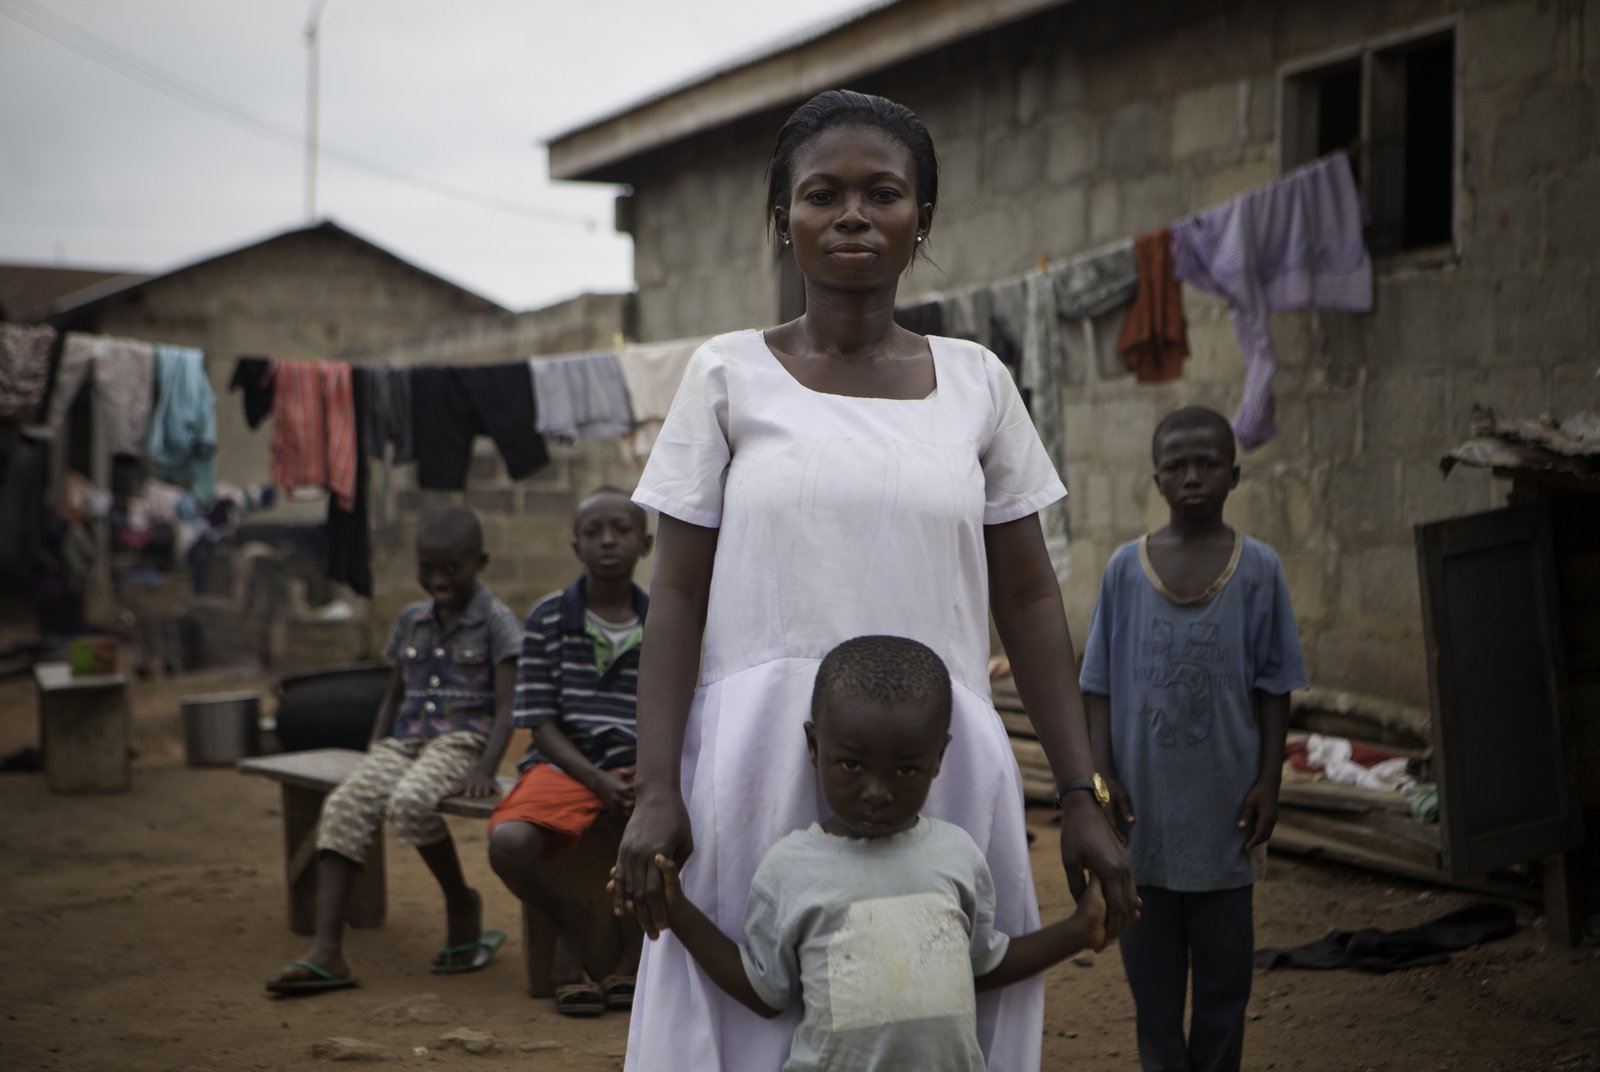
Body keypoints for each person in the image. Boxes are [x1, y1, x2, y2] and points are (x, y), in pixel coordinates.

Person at [612, 88, 1136, 1071]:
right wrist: (655, 786)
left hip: (934, 767)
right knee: (745, 1018)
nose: (851, 213)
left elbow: (1026, 597)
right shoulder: (725, 377)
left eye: (881, 193)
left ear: (920, 219)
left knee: (928, 1004)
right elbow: (674, 595)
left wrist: (1078, 791)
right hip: (756, 761)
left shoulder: (976, 381)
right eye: (821, 194)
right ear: (783, 221)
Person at [643, 635, 1108, 1072]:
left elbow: (980, 965)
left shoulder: (956, 855)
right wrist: (678, 912)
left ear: (939, 758)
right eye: (851, 764)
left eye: (906, 769)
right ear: (813, 747)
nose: (877, 792)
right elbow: (767, 990)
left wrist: (1077, 932)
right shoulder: (791, 868)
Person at [1080, 406, 1308, 1071]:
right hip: (1138, 832)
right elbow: (1097, 686)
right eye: (1176, 465)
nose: (1191, 477)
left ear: (1234, 474)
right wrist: (1102, 778)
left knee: (1223, 995)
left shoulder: (1259, 570)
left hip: (1223, 827)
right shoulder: (1126, 571)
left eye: (1207, 463)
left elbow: (1274, 687)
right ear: (1156, 477)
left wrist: (1269, 782)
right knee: (1153, 1002)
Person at [265, 504, 521, 994]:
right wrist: (375, 748)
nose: (438, 579)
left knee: (409, 803)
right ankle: (328, 950)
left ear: (480, 563)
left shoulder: (497, 622)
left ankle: (460, 900)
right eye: (427, 568)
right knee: (342, 804)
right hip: (403, 741)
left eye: (453, 568)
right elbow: (394, 693)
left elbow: (509, 705)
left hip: (462, 741)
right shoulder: (410, 620)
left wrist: (488, 766)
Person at [486, 487, 653, 1017]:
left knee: (679, 831)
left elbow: (678, 708)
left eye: (621, 531)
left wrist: (646, 772)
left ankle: (635, 952)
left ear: (645, 544)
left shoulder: (666, 619)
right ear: (575, 546)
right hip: (567, 763)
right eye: (593, 532)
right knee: (508, 843)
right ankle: (570, 920)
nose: (607, 541)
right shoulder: (548, 617)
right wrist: (598, 779)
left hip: (643, 766)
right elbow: (538, 721)